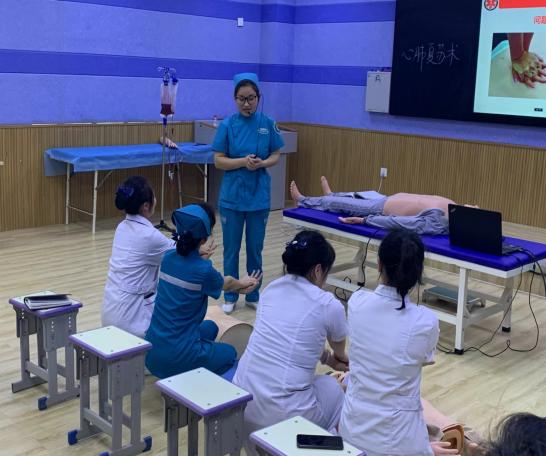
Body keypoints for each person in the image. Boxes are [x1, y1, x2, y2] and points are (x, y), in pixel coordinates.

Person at [233, 230, 349, 454]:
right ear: (318, 270)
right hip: (281, 415)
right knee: (336, 389)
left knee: (319, 383)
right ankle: (328, 445)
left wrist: (328, 360)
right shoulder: (328, 304)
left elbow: (292, 340)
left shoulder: (271, 289)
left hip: (243, 403)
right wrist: (340, 361)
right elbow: (340, 352)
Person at [339, 229, 440, 456]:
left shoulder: (357, 302)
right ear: (418, 272)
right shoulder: (425, 321)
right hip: (400, 441)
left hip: (352, 432)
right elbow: (423, 360)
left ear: (379, 264)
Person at [145, 203, 261, 378]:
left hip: (152, 352)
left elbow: (188, 271)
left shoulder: (167, 258)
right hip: (177, 357)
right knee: (229, 353)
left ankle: (190, 363)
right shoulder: (204, 271)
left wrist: (199, 257)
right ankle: (189, 382)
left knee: (211, 327)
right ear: (203, 239)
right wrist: (243, 283)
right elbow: (228, 283)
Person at [212, 72, 285, 314]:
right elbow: (219, 160)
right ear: (235, 99)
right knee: (231, 249)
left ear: (258, 98)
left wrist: (263, 163)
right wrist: (243, 162)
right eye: (242, 99)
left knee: (255, 249)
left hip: (258, 198)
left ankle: (253, 293)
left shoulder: (267, 124)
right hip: (232, 198)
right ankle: (230, 294)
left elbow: (276, 154)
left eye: (251, 98)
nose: (247, 104)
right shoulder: (227, 125)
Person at [101, 176, 174, 338]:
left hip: (109, 311)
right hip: (131, 321)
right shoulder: (150, 236)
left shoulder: (122, 227)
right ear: (146, 206)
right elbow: (179, 252)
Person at [290, 176, 457, 235]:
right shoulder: (453, 207)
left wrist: (366, 221)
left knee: (338, 203)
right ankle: (331, 194)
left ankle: (303, 201)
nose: (471, 205)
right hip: (385, 198)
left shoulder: (439, 223)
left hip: (379, 209)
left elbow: (401, 223)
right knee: (354, 196)